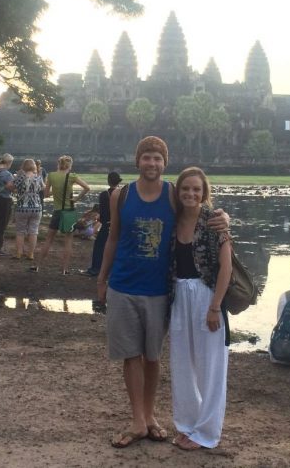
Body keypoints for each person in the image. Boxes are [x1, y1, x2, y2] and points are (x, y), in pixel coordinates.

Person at [96, 136, 229, 449]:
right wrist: (102, 278)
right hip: (123, 285)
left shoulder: (172, 194)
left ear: (164, 163)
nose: (152, 163)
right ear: (138, 161)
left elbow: (199, 211)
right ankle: (138, 420)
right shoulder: (121, 194)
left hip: (159, 290)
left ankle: (152, 416)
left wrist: (224, 218)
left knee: (153, 356)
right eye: (147, 157)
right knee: (131, 355)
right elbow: (112, 238)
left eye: (157, 158)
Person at [170, 167, 232, 450]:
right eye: (186, 189)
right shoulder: (172, 219)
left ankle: (207, 432)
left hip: (207, 296)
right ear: (178, 192)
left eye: (196, 189)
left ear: (204, 193)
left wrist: (215, 306)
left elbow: (226, 267)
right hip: (179, 295)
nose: (190, 194)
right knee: (182, 364)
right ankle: (187, 424)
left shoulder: (215, 221)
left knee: (211, 368)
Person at [30, 155, 90, 275]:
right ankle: (64, 269)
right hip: (69, 212)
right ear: (70, 165)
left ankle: (37, 266)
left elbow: (46, 194)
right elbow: (87, 187)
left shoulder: (52, 176)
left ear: (59, 164)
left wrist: (56, 191)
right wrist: (77, 198)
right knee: (68, 241)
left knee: (48, 240)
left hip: (57, 212)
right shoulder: (72, 176)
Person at [80, 171, 122, 276]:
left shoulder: (104, 194)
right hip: (119, 225)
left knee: (99, 247)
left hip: (107, 224)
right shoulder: (122, 193)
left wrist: (101, 221)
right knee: (117, 248)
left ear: (108, 181)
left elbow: (102, 213)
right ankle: (114, 271)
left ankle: (95, 269)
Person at [13, 158, 44, 260]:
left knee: (20, 231)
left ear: (24, 166)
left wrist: (19, 175)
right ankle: (31, 254)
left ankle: (19, 253)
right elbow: (42, 188)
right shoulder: (38, 178)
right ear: (34, 166)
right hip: (36, 207)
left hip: (22, 207)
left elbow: (14, 187)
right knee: (33, 231)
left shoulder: (20, 178)